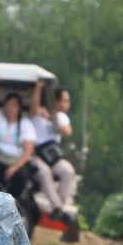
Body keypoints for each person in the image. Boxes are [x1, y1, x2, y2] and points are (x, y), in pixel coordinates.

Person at [28, 79, 78, 222]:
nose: (68, 104)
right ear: (56, 101)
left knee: (68, 171)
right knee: (44, 172)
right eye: (65, 101)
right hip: (37, 153)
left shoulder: (60, 117)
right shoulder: (38, 112)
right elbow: (33, 108)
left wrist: (51, 118)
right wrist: (38, 88)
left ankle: (58, 208)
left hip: (52, 155)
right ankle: (58, 208)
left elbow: (67, 132)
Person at [0, 80, 38, 196]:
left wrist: (15, 167)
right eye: (8, 104)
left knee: (22, 175)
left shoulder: (25, 124)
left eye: (14, 105)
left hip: (17, 160)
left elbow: (28, 150)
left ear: (19, 108)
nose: (10, 107)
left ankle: (14, 201)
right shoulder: (0, 119)